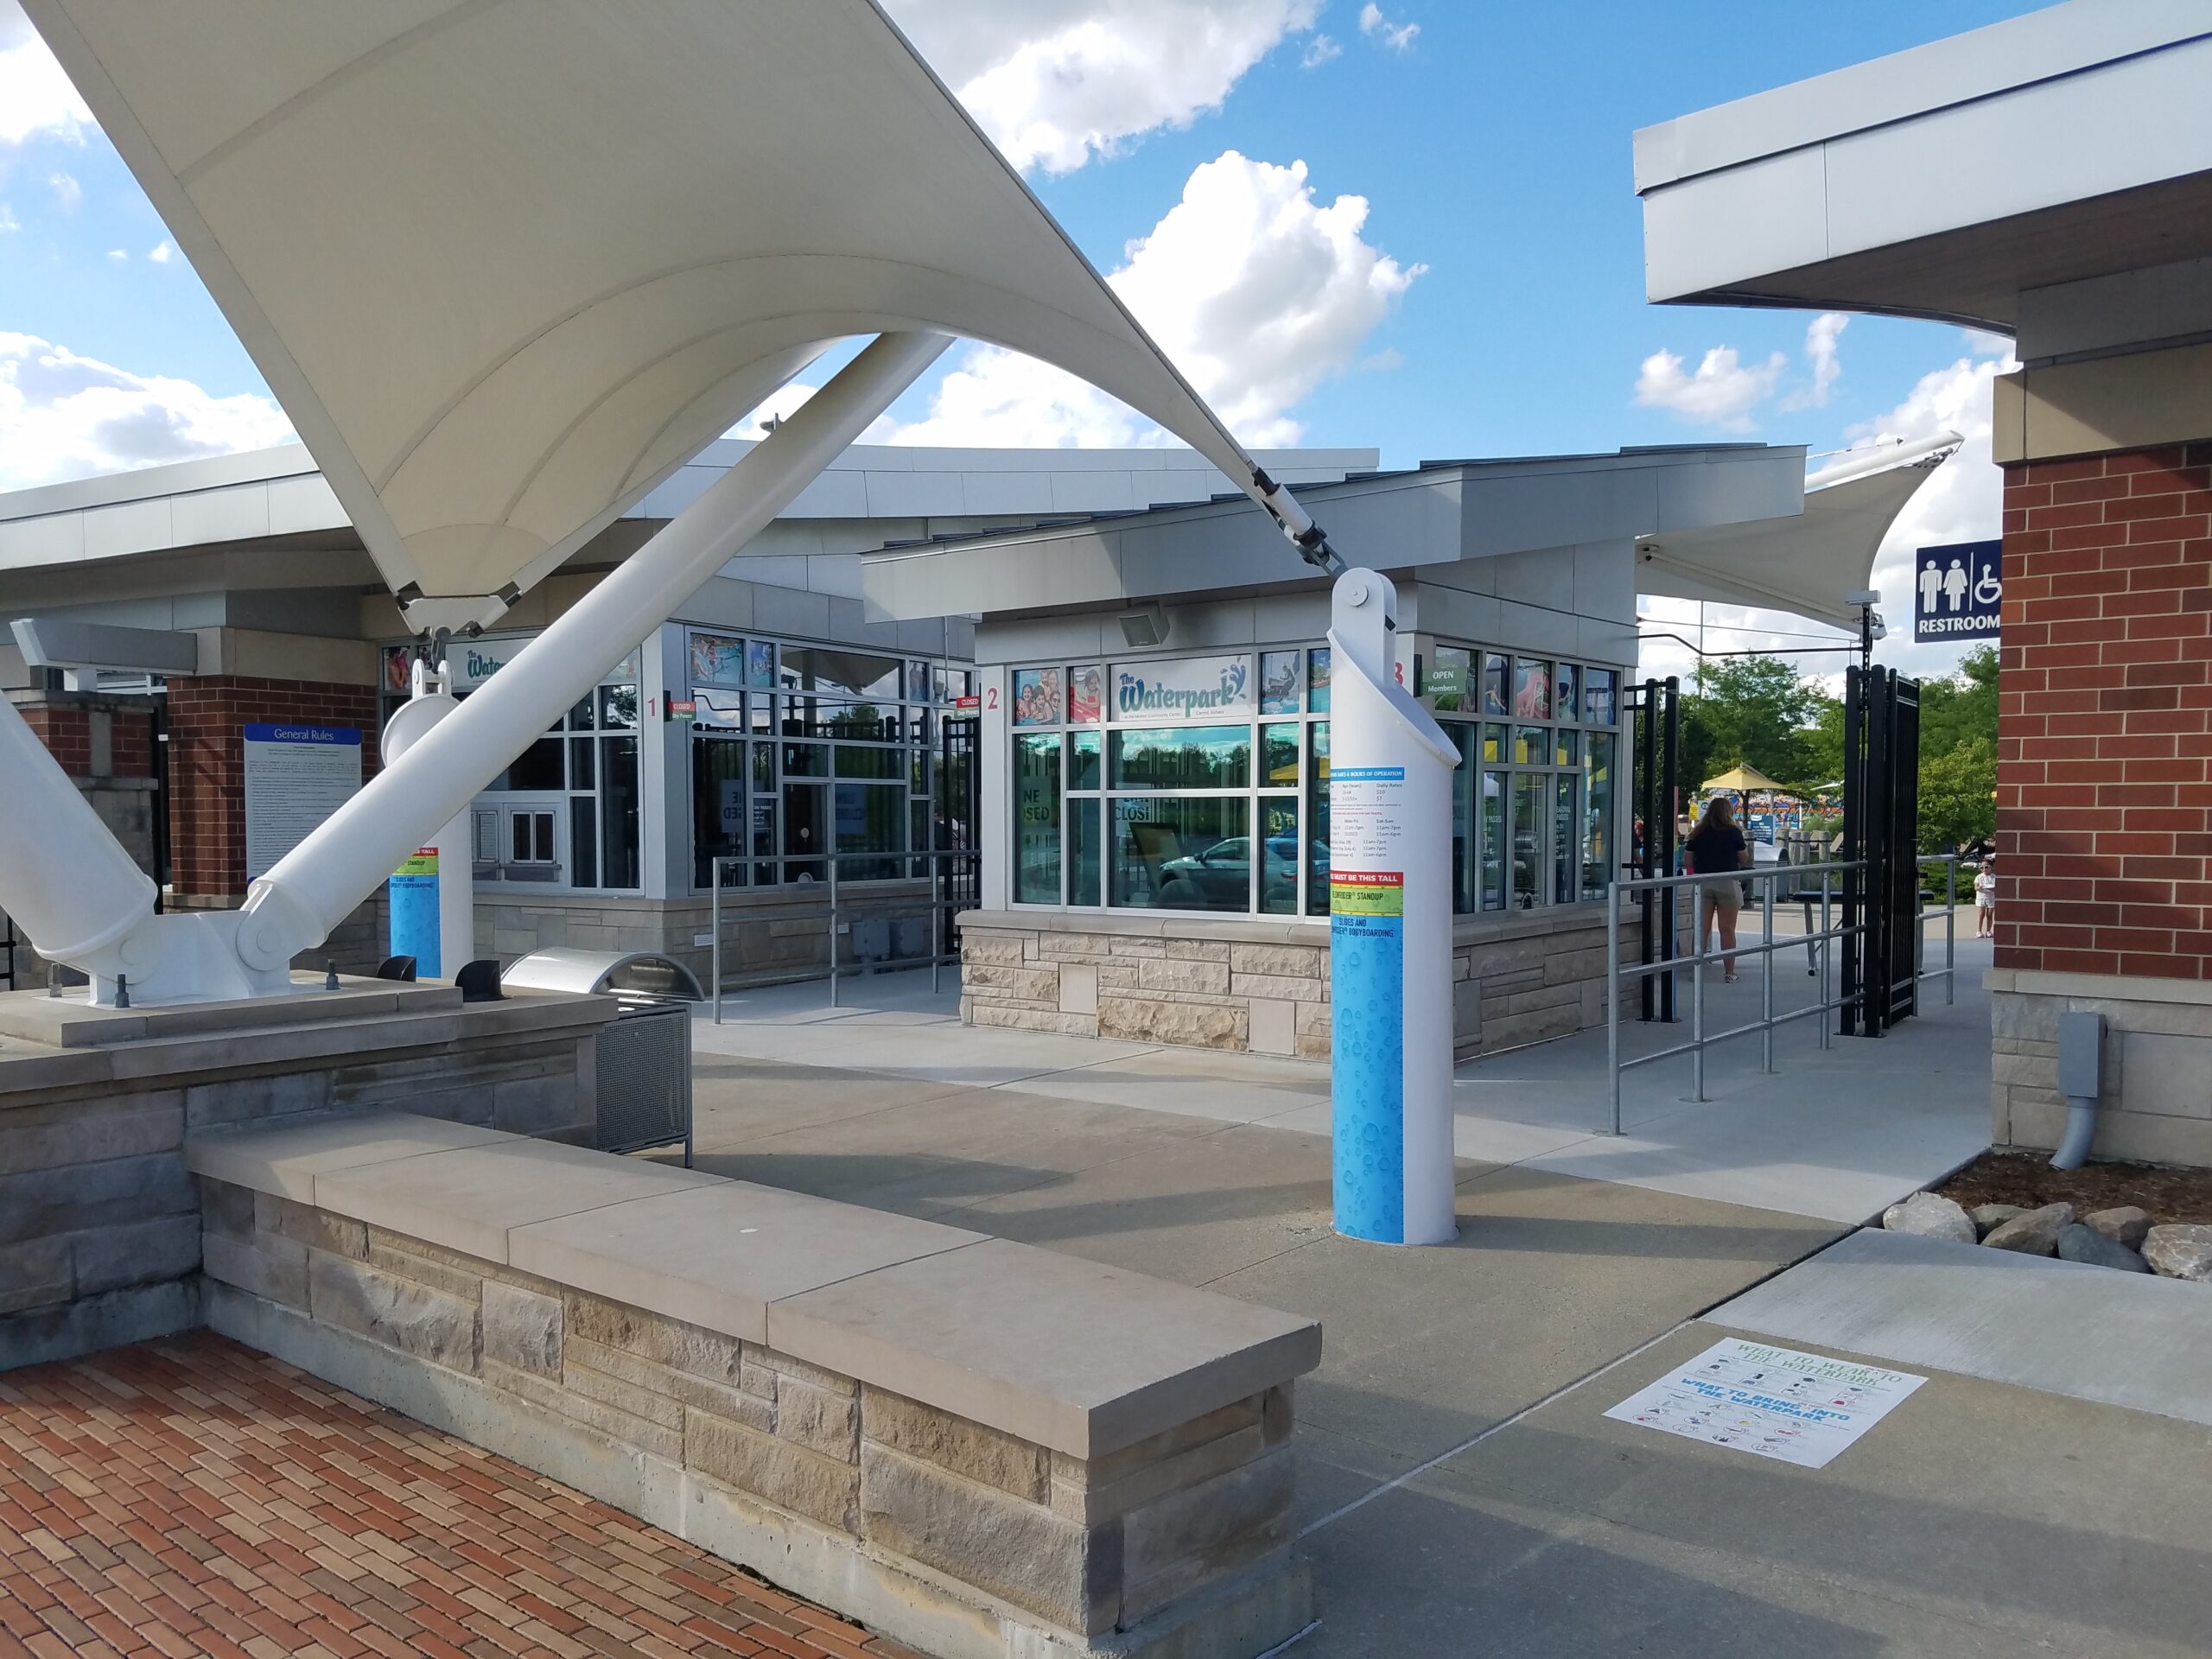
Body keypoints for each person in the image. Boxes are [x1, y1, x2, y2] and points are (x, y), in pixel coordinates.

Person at [1686, 795, 1751, 982]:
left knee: (1702, 929)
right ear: (1728, 812)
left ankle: (1696, 971)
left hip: (1702, 883)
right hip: (1727, 881)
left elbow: (1688, 860)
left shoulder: (1697, 832)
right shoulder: (1733, 832)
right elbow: (1743, 858)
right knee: (1727, 930)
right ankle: (1729, 973)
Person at [1974, 855, 1997, 938]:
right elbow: (1976, 887)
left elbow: (1997, 887)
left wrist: (1994, 889)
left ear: (1991, 868)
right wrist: (1978, 888)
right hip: (1981, 897)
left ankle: (1988, 930)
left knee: (1990, 915)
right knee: (1981, 914)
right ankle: (1979, 931)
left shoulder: (1994, 877)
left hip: (1991, 897)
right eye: (1982, 867)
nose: (1984, 869)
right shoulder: (1979, 877)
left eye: (1986, 867)